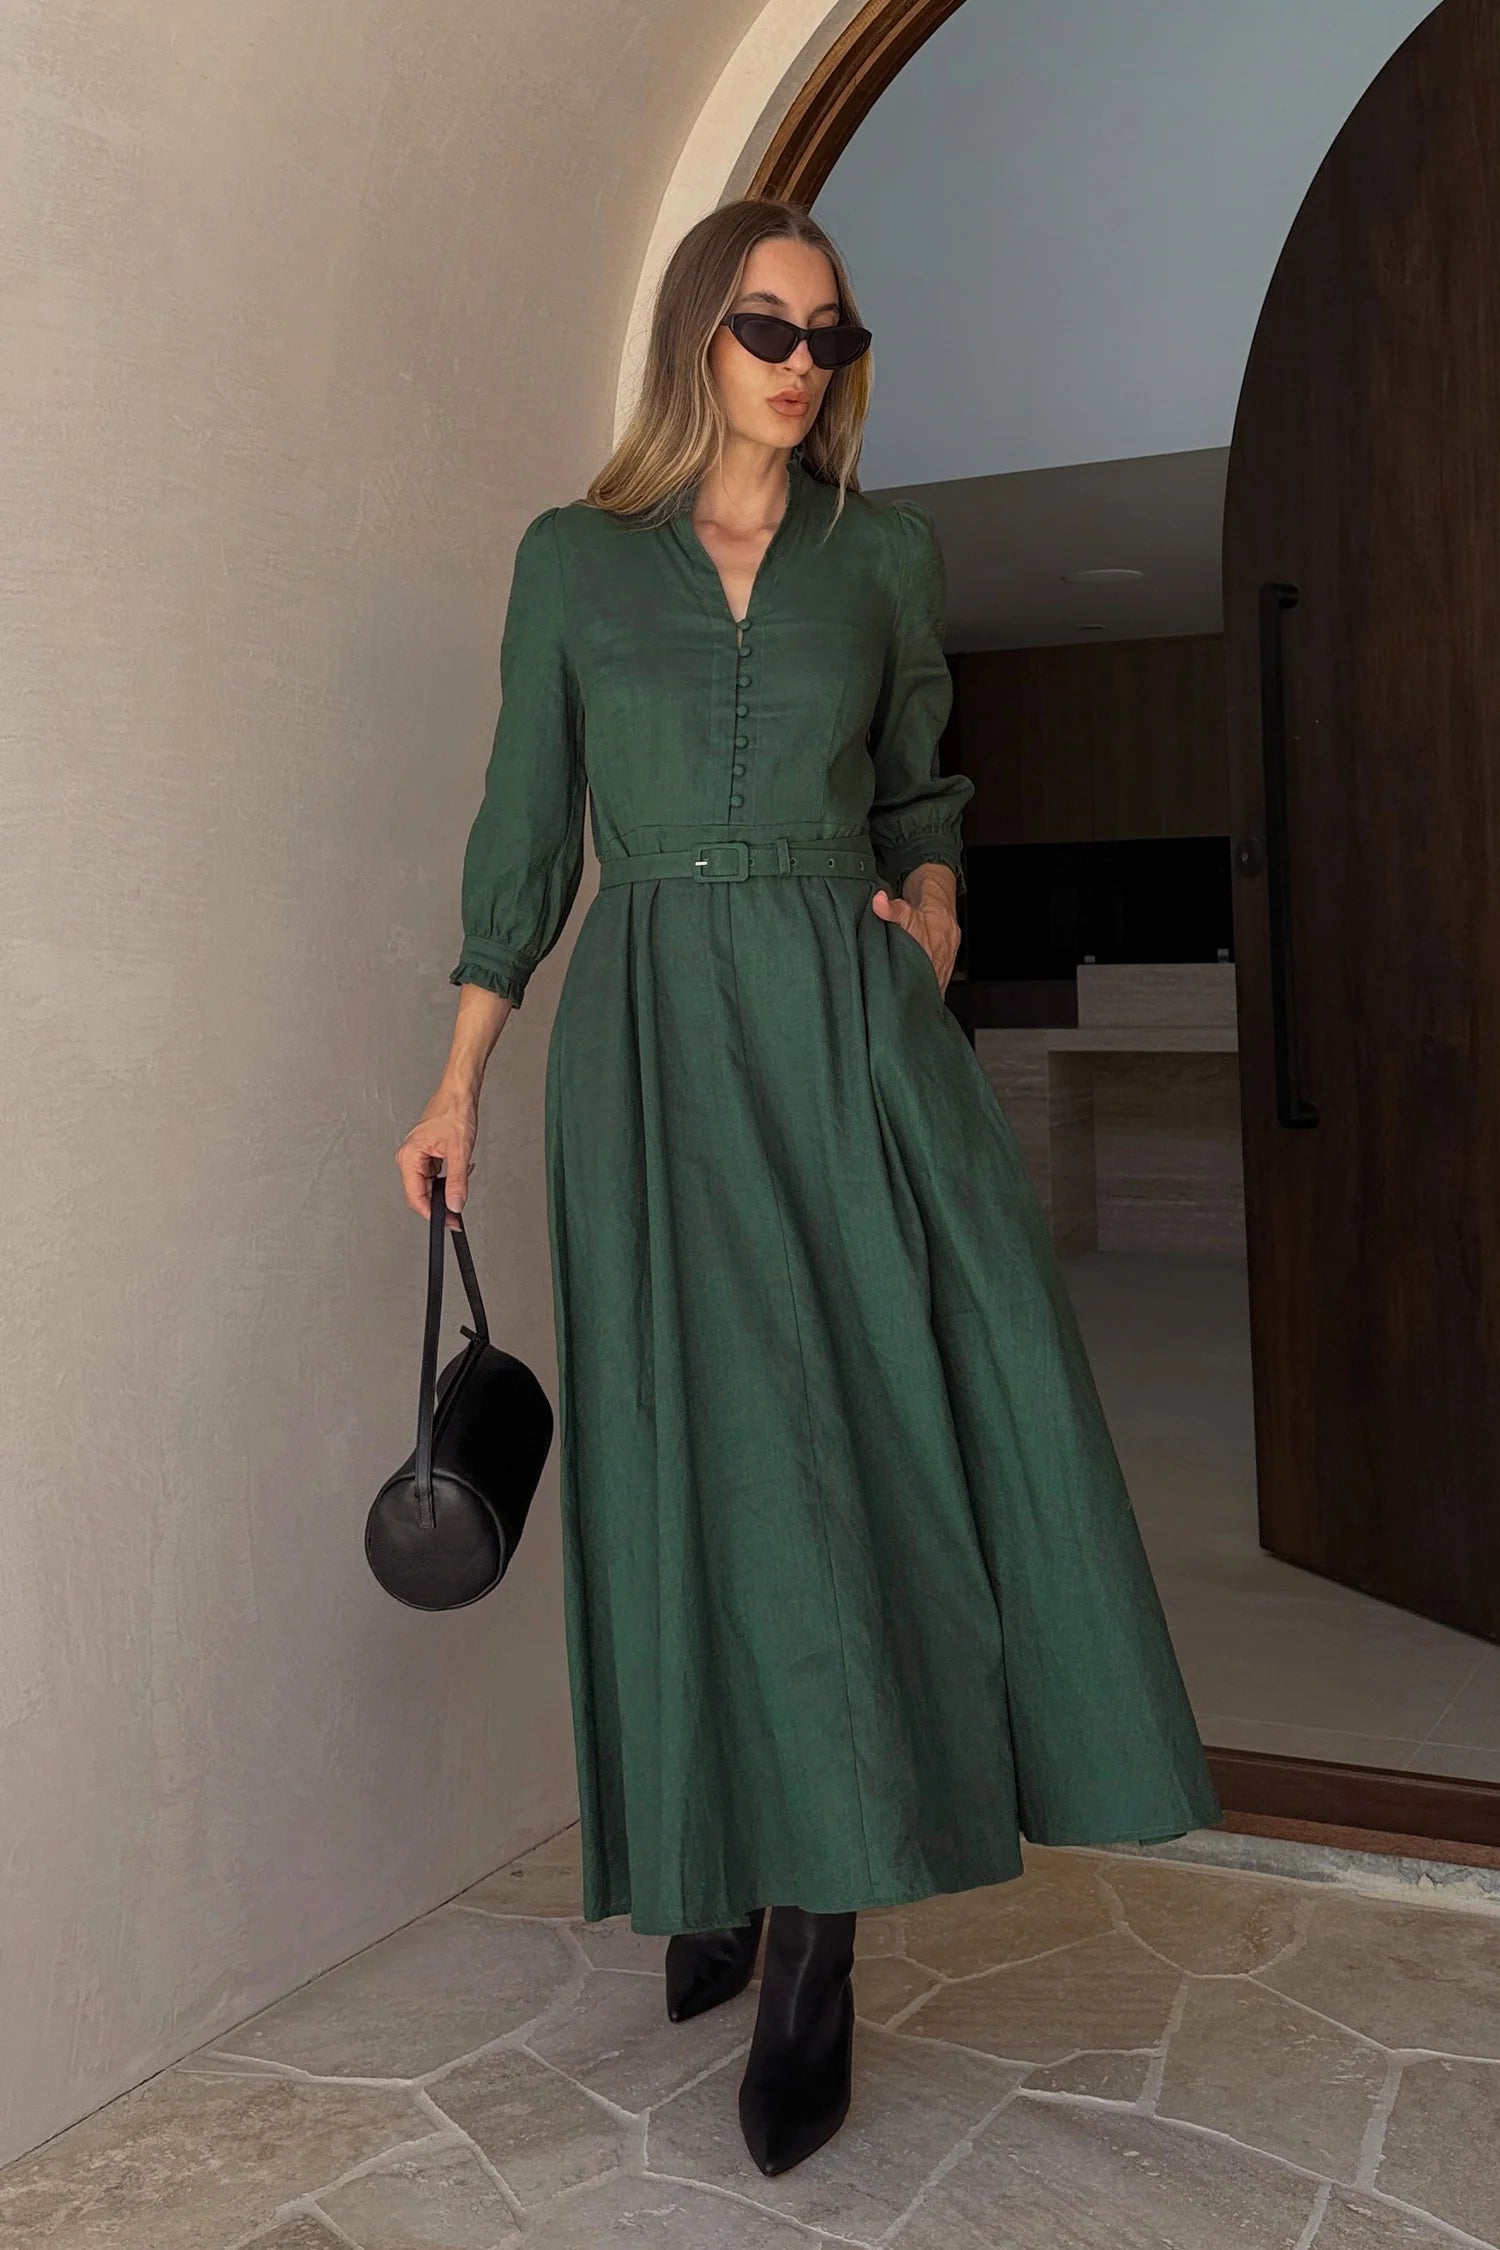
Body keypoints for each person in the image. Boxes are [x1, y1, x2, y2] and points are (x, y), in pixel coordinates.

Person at [397, 196, 1222, 2177]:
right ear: (697, 334)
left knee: (856, 1450)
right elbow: (527, 832)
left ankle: (816, 1938)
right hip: (652, 1042)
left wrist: (932, 918)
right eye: (767, 325)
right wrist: (458, 1079)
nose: (799, 363)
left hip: (846, 1034)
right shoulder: (576, 560)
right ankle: (708, 1857)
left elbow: (925, 791)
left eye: (828, 335)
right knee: (685, 1453)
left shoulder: (887, 556)